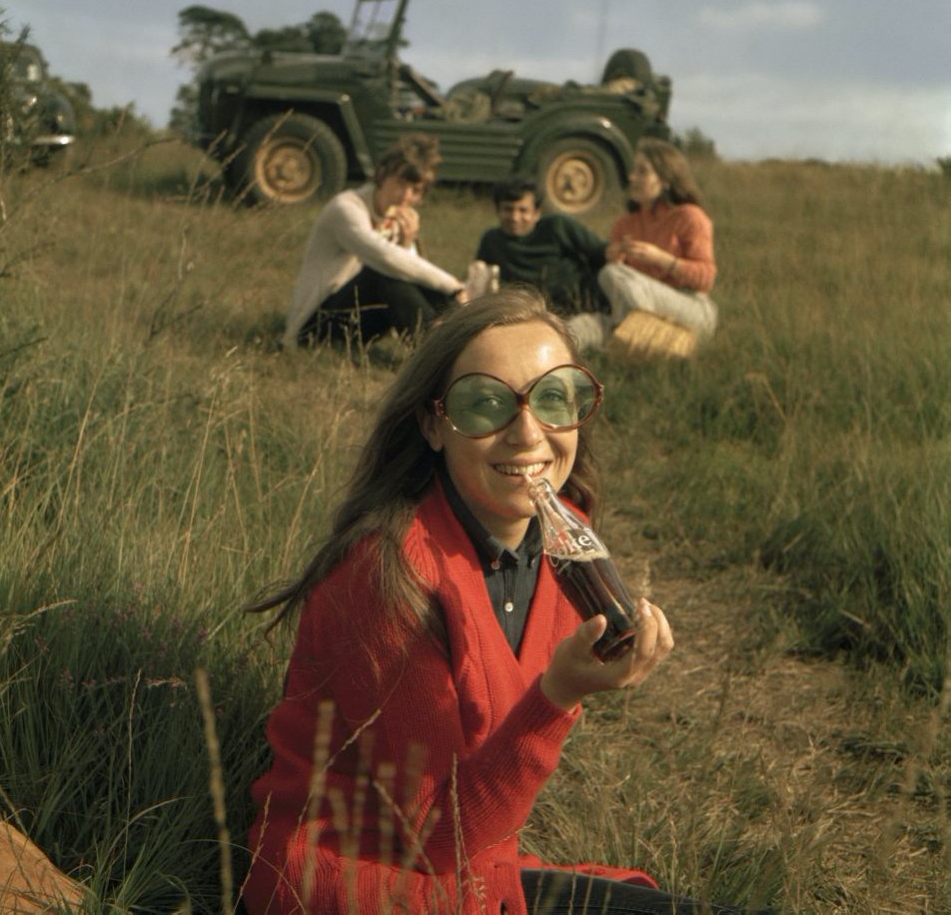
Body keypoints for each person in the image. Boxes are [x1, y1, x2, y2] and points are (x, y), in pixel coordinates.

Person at [244, 289, 764, 914]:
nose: (527, 433)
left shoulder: (567, 541)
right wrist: (558, 697)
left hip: (476, 871)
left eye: (553, 397)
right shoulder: (388, 579)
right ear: (434, 424)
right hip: (352, 886)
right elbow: (439, 837)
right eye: (485, 403)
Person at [284, 134, 465, 349]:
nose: (406, 196)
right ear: (381, 174)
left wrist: (407, 243)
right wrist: (453, 285)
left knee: (417, 280)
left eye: (415, 190)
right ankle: (434, 352)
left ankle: (458, 343)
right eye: (400, 184)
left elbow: (409, 273)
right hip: (315, 325)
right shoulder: (346, 208)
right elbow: (383, 257)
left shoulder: (398, 216)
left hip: (361, 320)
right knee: (383, 273)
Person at [575, 138, 717, 352]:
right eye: (634, 171)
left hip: (691, 307)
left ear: (666, 179)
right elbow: (623, 283)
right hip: (637, 310)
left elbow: (705, 279)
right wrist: (616, 258)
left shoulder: (690, 217)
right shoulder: (624, 224)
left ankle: (639, 340)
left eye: (642, 172)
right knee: (577, 327)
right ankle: (643, 342)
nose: (632, 178)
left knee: (612, 274)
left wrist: (661, 259)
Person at [474, 177, 609, 316]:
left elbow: (603, 253)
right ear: (498, 211)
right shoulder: (492, 240)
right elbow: (480, 279)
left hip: (575, 309)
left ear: (536, 213)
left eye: (523, 210)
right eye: (508, 209)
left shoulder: (558, 227)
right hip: (524, 313)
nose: (514, 217)